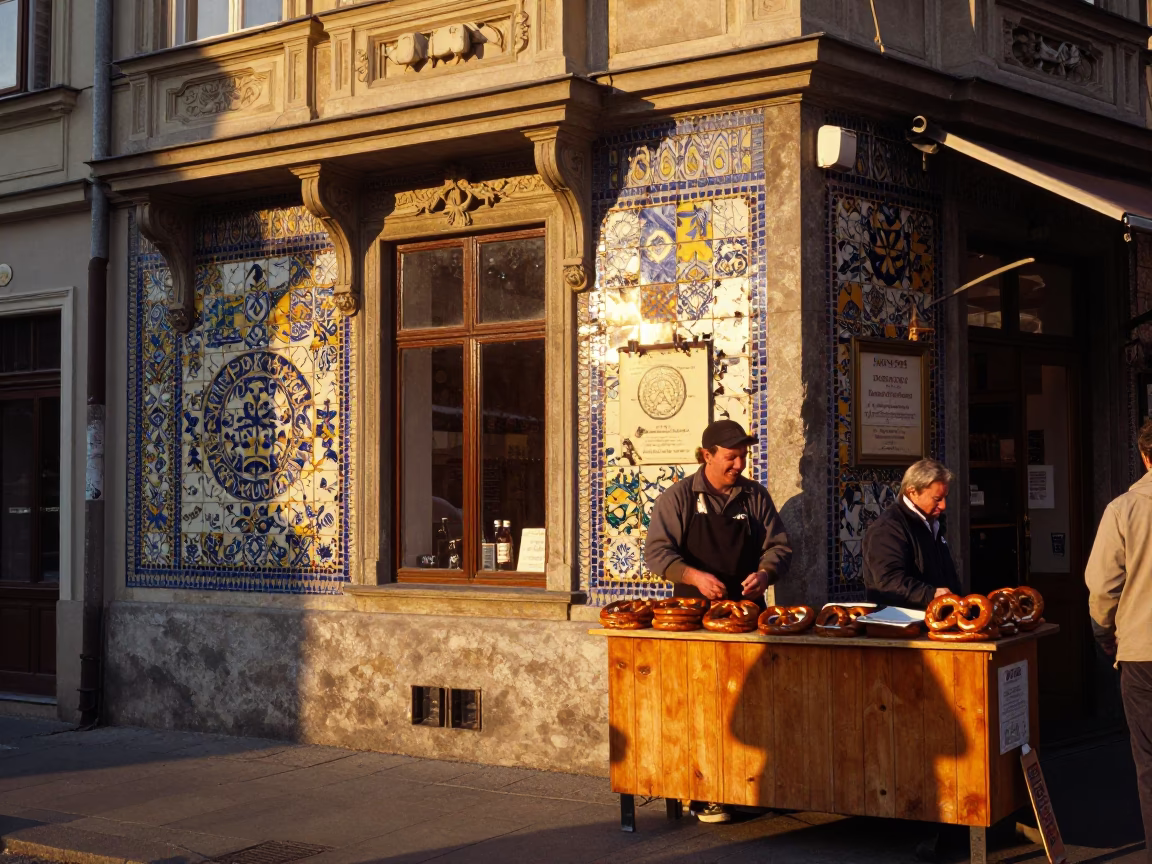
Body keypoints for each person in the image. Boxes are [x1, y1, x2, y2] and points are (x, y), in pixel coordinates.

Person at [644, 418, 792, 823]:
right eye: (731, 457)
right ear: (706, 455)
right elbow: (657, 553)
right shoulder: (677, 498)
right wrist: (693, 576)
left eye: (743, 456)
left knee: (753, 705)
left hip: (748, 619)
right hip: (693, 620)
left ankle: (748, 785)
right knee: (704, 708)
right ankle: (705, 792)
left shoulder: (754, 496)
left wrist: (765, 573)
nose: (739, 465)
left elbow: (779, 546)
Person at [1085, 419, 1152, 861]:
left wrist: (1104, 633)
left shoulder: (1124, 510)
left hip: (1143, 654)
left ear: (1145, 455)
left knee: (1149, 762)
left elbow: (1102, 586)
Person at [861, 458, 962, 609]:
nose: (943, 506)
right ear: (912, 492)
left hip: (938, 619)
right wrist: (931, 594)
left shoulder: (932, 522)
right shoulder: (887, 528)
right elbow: (888, 582)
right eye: (937, 499)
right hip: (902, 623)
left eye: (945, 498)